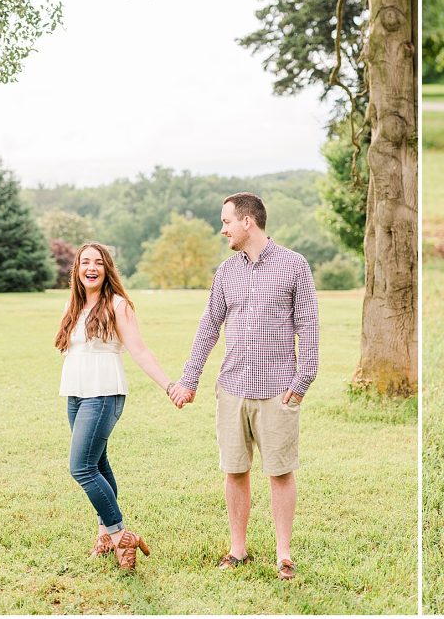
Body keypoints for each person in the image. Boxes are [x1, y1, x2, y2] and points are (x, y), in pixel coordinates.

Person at [170, 192, 319, 580]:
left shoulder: (294, 266)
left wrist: (303, 380)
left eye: (226, 222)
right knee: (235, 470)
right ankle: (238, 549)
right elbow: (208, 328)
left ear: (247, 222)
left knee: (280, 472)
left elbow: (309, 325)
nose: (223, 230)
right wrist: (189, 379)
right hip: (232, 388)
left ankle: (283, 554)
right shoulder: (226, 272)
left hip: (277, 391)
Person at [56, 241, 182, 571]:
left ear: (107, 268)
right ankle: (105, 535)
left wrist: (168, 384)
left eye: (98, 262)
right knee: (97, 463)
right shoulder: (76, 305)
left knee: (81, 467)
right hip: (77, 394)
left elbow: (139, 350)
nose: (91, 267)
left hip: (104, 393)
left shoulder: (118, 304)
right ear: (77, 269)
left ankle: (120, 534)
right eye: (85, 262)